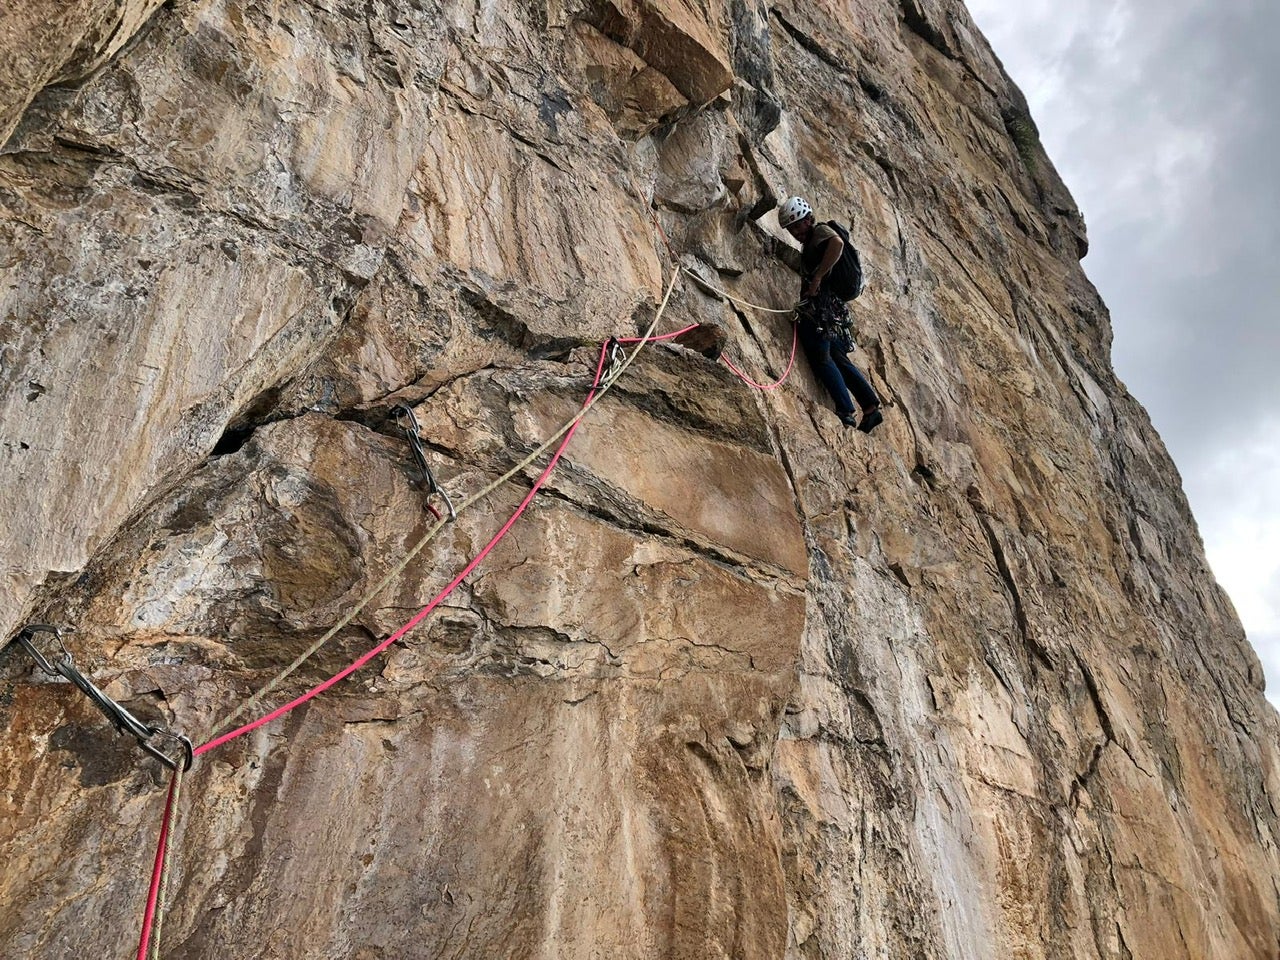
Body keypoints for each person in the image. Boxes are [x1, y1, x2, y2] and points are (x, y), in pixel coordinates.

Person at [774, 196, 883, 433]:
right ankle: (871, 407)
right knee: (837, 355)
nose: (795, 232)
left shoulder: (821, 232)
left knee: (821, 355)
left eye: (797, 225)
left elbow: (837, 245)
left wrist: (818, 277)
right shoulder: (811, 243)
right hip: (831, 308)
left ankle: (846, 411)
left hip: (824, 309)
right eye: (791, 228)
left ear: (808, 220)